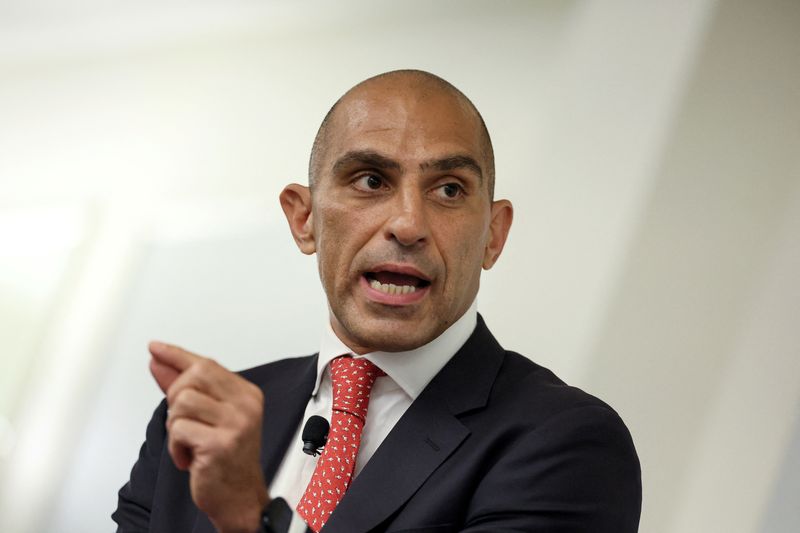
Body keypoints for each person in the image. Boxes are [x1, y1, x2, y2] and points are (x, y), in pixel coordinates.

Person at [113, 69, 641, 533]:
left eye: (450, 190)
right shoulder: (194, 428)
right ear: (304, 218)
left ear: (493, 235)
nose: (408, 224)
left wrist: (252, 518)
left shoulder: (566, 443)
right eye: (371, 180)